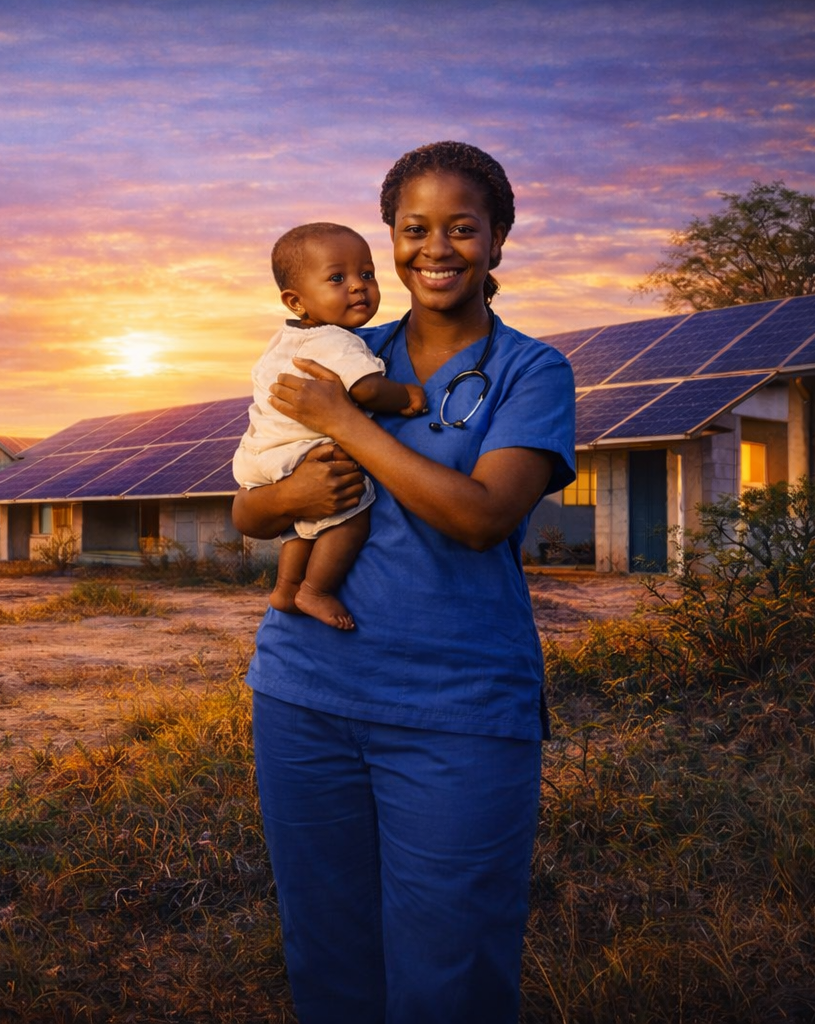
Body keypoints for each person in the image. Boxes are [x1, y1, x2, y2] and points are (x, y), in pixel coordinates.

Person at [233, 141, 576, 1023]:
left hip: (457, 707)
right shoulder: (334, 343)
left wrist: (346, 422)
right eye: (414, 228)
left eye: (463, 228)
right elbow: (251, 514)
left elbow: (480, 515)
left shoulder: (530, 372)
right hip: (306, 693)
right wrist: (295, 494)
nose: (437, 248)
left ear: (497, 240)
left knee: (450, 970)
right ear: (389, 238)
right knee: (329, 954)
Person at [234, 222, 426, 628]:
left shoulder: (283, 341)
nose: (358, 286)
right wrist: (406, 396)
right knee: (352, 515)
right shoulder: (337, 341)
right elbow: (368, 390)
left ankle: (286, 587)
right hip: (304, 450)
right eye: (337, 278)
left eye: (367, 275)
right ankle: (315, 590)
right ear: (296, 301)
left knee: (306, 526)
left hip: (262, 455)